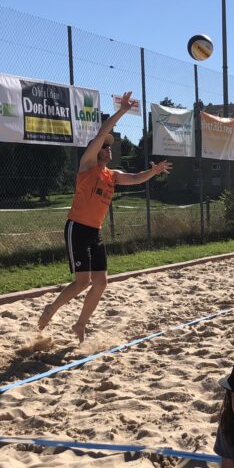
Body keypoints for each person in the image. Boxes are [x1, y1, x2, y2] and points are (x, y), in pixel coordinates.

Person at [37, 91, 172, 342]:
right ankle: (51, 309)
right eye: (106, 147)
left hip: (94, 231)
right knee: (82, 282)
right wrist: (121, 111)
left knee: (100, 282)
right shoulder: (88, 165)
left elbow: (134, 179)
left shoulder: (112, 175)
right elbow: (101, 135)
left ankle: (80, 324)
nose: (109, 149)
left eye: (110, 147)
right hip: (77, 227)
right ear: (99, 150)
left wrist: (153, 172)